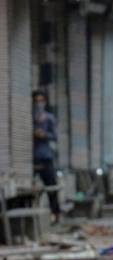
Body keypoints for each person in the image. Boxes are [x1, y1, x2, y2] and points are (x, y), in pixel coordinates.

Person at [32, 90, 61, 223]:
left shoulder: (49, 118)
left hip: (46, 156)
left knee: (51, 186)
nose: (39, 104)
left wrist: (44, 134)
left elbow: (55, 136)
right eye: (37, 101)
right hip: (31, 158)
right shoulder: (30, 117)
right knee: (31, 189)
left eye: (41, 101)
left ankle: (55, 214)